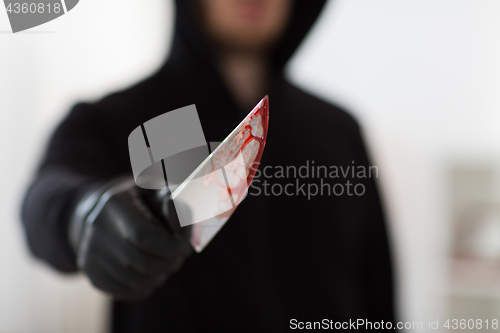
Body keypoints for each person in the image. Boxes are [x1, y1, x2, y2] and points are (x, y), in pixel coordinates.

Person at [21, 0, 395, 331]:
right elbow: (44, 199)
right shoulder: (116, 120)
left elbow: (377, 280)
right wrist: (82, 216)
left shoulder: (338, 130)